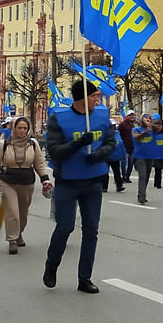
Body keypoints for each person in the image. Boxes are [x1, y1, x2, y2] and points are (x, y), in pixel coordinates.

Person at [43, 79, 118, 294]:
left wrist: (99, 155)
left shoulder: (102, 117)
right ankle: (52, 265)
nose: (98, 99)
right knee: (65, 227)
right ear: (83, 98)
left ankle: (84, 277)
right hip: (68, 180)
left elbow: (111, 143)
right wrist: (78, 143)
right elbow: (55, 150)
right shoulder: (59, 119)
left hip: (94, 180)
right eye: (94, 96)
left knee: (91, 230)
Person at [0, 115, 52, 254]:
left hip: (27, 181)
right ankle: (12, 239)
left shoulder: (33, 144)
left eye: (25, 128)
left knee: (23, 213)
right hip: (8, 181)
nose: (22, 131)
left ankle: (19, 232)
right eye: (19, 128)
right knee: (12, 211)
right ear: (14, 128)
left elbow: (39, 163)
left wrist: (45, 179)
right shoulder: (4, 144)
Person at [132, 113, 163, 205]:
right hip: (140, 156)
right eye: (145, 118)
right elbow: (136, 138)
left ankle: (143, 193)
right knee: (142, 175)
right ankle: (141, 195)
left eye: (149, 118)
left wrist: (150, 124)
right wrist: (145, 132)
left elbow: (160, 128)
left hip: (150, 155)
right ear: (141, 120)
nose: (147, 120)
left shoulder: (153, 129)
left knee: (147, 176)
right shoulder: (135, 129)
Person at [117, 112, 137, 182]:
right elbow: (118, 134)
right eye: (130, 115)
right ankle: (123, 176)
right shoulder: (122, 124)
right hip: (124, 145)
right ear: (127, 116)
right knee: (124, 161)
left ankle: (127, 176)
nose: (132, 117)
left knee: (131, 162)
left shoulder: (135, 125)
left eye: (133, 115)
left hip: (132, 146)